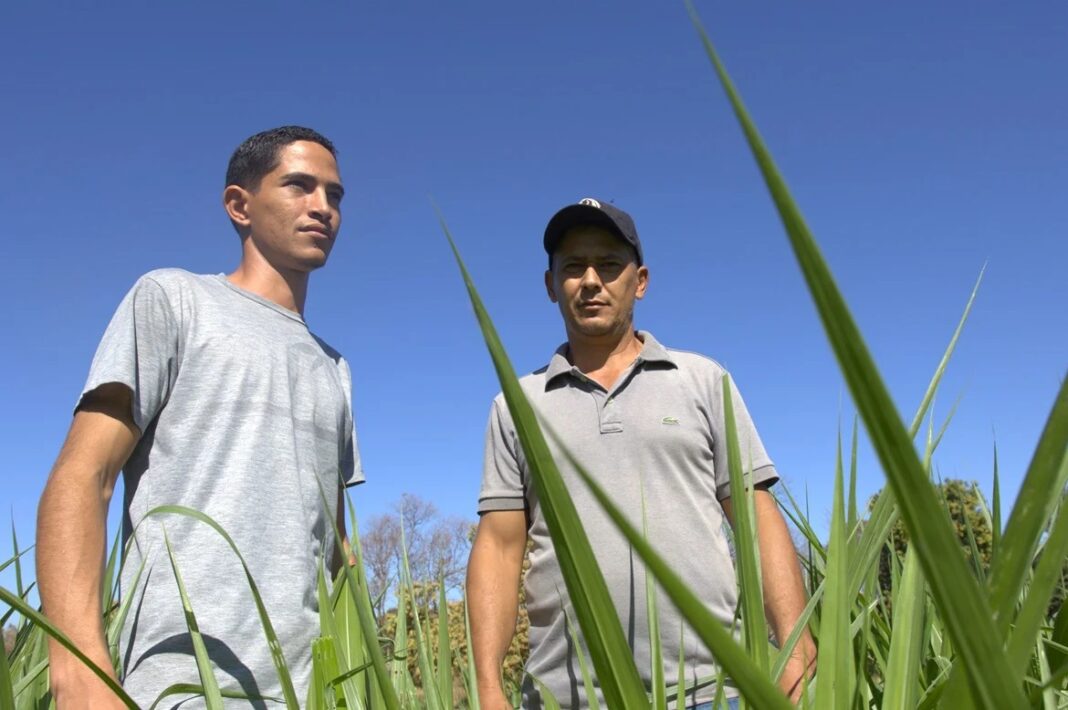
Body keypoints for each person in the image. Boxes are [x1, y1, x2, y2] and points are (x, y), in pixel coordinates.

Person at [35, 126, 363, 709]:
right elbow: (84, 477)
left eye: (334, 195)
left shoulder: (334, 368)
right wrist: (78, 666)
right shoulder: (174, 300)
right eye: (299, 186)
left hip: (307, 690)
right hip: (182, 685)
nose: (323, 207)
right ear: (240, 205)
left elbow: (335, 542)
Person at [466, 198, 817, 709]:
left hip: (711, 690)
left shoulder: (703, 381)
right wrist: (487, 684)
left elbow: (754, 512)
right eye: (572, 267)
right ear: (550, 286)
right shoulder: (515, 405)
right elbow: (498, 546)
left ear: (641, 280)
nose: (590, 281)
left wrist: (794, 635)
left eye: (608, 265)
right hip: (566, 697)